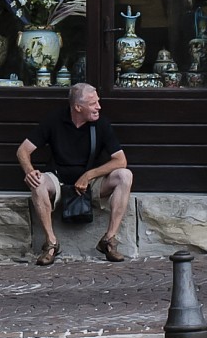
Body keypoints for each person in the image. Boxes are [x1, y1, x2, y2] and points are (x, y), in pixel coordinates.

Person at [17, 82, 133, 266]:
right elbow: (23, 151)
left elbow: (120, 161)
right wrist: (30, 172)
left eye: (98, 101)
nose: (99, 107)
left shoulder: (101, 124)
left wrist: (88, 176)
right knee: (37, 182)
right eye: (93, 103)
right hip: (58, 181)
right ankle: (51, 243)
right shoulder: (54, 119)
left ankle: (109, 240)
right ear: (78, 107)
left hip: (91, 184)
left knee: (125, 175)